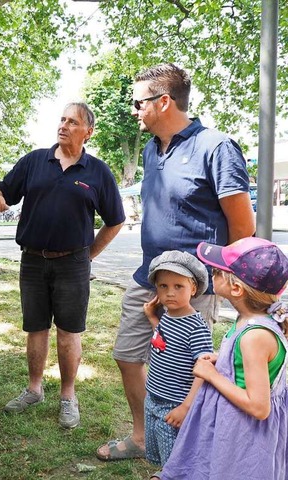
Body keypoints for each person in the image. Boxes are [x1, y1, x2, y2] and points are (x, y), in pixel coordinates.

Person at [96, 63, 255, 460]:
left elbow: (243, 225)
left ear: (163, 101)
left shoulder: (217, 147)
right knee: (127, 354)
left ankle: (185, 445)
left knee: (190, 370)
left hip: (193, 286)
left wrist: (225, 281)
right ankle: (143, 436)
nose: (134, 110)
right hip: (147, 276)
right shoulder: (151, 149)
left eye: (138, 102)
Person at [0, 102, 125, 428]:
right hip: (32, 260)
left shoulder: (98, 172)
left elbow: (115, 221)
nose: (63, 125)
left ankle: (67, 395)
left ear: (88, 131)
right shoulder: (35, 161)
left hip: (73, 263)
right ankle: (34, 389)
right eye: (62, 119)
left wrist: (88, 254)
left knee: (68, 332)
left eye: (72, 121)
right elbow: (4, 189)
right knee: (35, 328)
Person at [162, 237, 288, 479]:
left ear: (236, 289)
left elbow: (259, 407)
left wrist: (211, 375)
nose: (212, 274)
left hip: (246, 433)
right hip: (237, 424)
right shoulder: (252, 319)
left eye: (217, 272)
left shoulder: (255, 336)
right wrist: (225, 359)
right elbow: (256, 365)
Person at [143, 251, 213, 480]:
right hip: (153, 398)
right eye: (163, 286)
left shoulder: (196, 328)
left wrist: (186, 407)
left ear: (193, 288)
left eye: (178, 286)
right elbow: (164, 341)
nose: (169, 293)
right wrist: (153, 318)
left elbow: (204, 370)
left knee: (177, 455)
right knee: (161, 450)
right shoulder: (167, 316)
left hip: (174, 404)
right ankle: (165, 472)